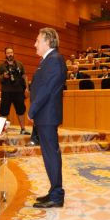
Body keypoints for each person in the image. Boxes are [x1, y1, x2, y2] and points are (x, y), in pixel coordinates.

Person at [29, 28, 67, 209]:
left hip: (47, 115)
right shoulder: (47, 60)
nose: (34, 44)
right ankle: (54, 191)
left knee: (51, 155)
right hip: (44, 115)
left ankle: (57, 196)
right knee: (49, 155)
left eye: (37, 40)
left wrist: (32, 110)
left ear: (47, 41)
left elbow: (46, 90)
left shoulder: (54, 60)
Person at [0, 47, 29, 134]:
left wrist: (27, 88)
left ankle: (23, 129)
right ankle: (3, 131)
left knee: (21, 110)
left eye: (11, 52)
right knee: (4, 111)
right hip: (6, 91)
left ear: (13, 53)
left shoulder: (19, 64)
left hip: (19, 91)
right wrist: (3, 76)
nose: (10, 54)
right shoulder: (1, 66)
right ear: (5, 54)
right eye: (8, 53)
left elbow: (24, 76)